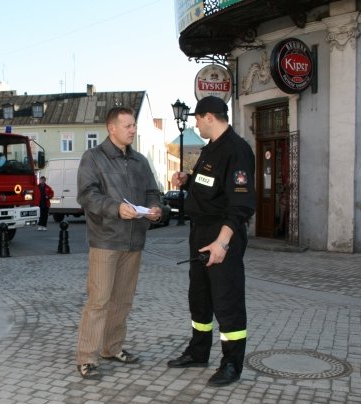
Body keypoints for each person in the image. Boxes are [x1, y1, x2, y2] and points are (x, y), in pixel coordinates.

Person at [166, 95, 256, 387]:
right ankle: (198, 351)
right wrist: (188, 180)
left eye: (196, 118)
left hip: (221, 236)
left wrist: (222, 243)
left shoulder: (237, 150)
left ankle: (231, 364)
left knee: (227, 301)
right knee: (200, 299)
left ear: (208, 117)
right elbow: (211, 186)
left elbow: (240, 204)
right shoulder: (211, 150)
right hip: (200, 233)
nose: (195, 123)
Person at [75, 106, 162, 379]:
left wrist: (156, 208)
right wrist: (115, 208)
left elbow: (152, 192)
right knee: (99, 300)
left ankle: (111, 348)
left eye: (134, 125)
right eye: (127, 126)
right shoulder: (93, 158)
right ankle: (87, 357)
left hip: (134, 240)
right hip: (106, 240)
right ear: (111, 128)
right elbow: (87, 195)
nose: (133, 130)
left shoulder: (140, 161)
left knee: (122, 301)